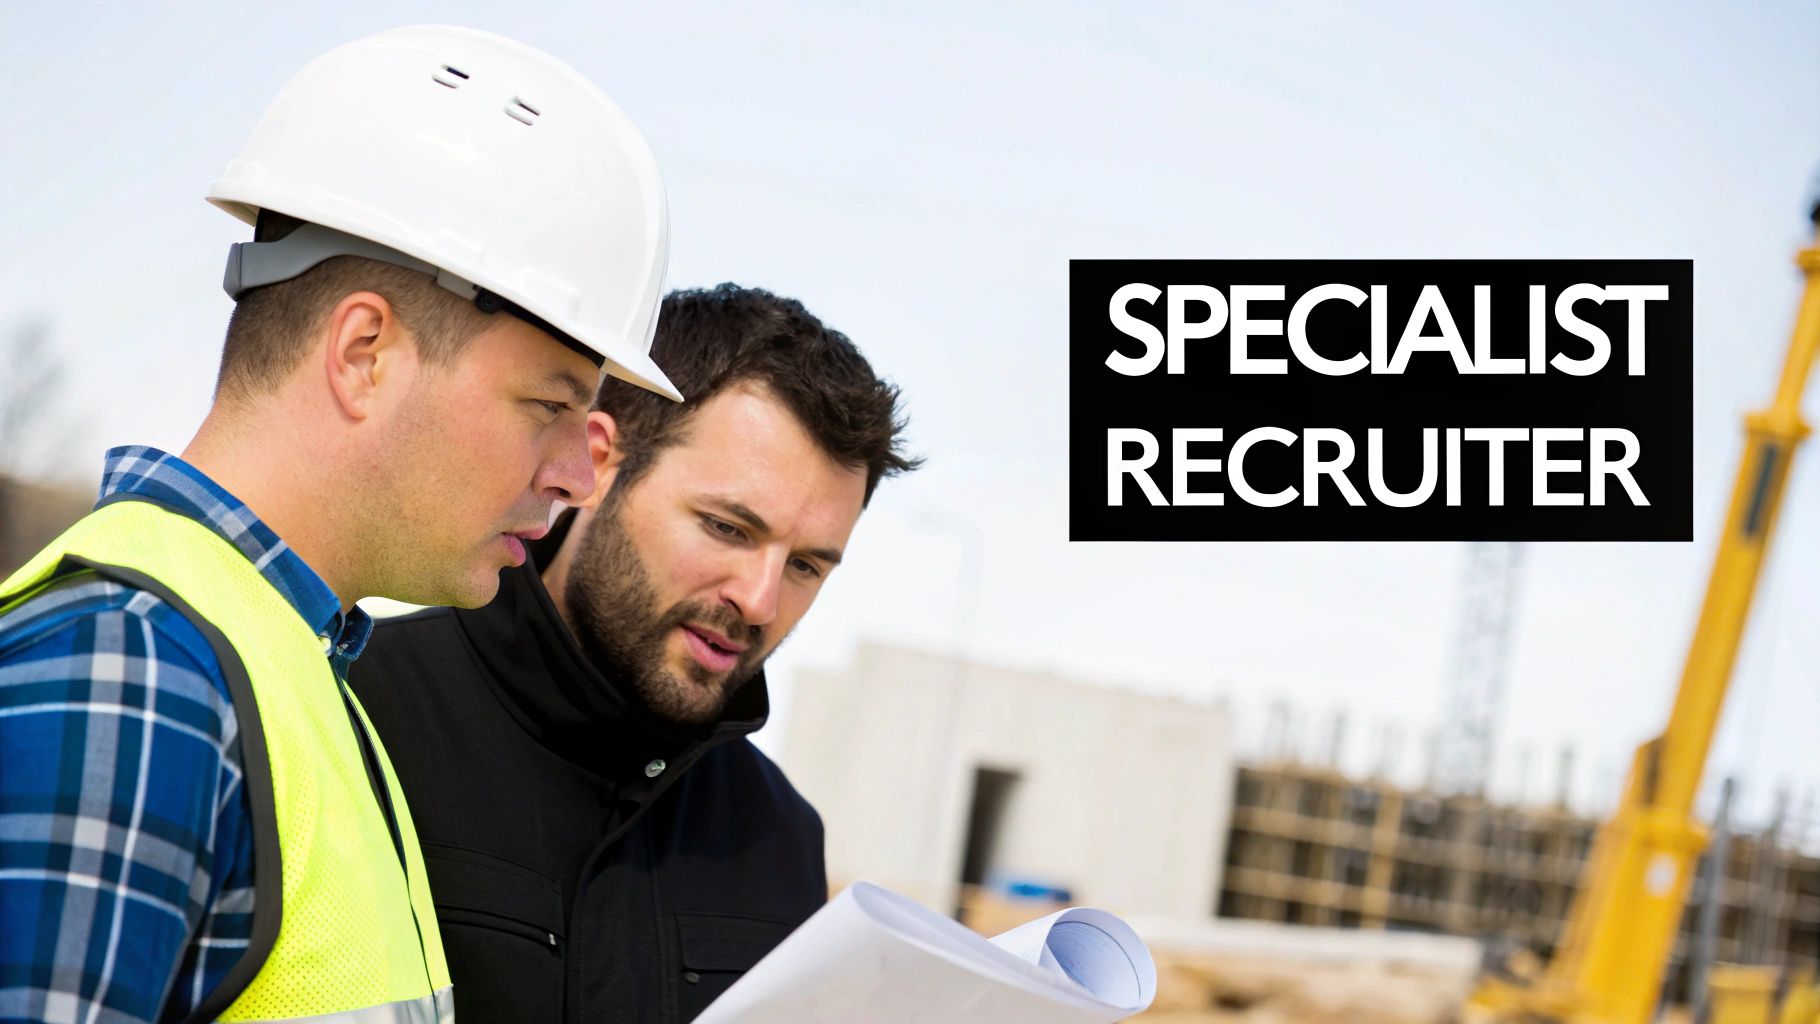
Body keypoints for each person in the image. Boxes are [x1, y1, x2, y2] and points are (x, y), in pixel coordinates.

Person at [0, 25, 677, 1024]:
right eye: (548, 406)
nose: (580, 473)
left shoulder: (293, 676)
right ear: (364, 352)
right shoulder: (141, 675)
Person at [348, 284, 919, 1023]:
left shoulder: (778, 837)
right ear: (599, 462)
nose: (760, 600)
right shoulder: (359, 709)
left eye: (807, 565)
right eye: (727, 528)